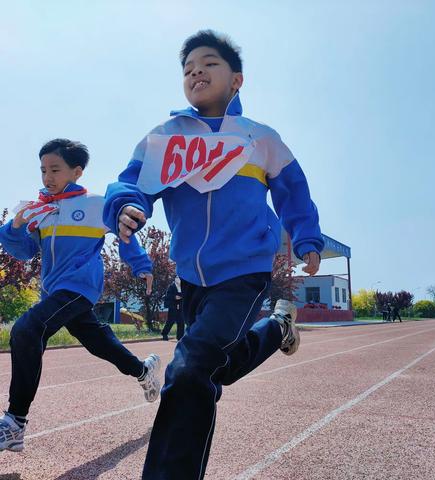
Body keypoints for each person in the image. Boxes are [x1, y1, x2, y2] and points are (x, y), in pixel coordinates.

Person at [103, 30, 324, 479]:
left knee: (187, 371)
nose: (196, 72)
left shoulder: (259, 139)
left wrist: (307, 238)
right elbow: (130, 183)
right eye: (187, 69)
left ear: (237, 80)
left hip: (244, 272)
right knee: (214, 365)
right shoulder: (165, 138)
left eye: (209, 64)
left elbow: (293, 191)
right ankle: (277, 327)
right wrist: (127, 206)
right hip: (192, 278)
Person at [0, 139, 162, 453]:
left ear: (76, 171)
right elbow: (22, 251)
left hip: (79, 287)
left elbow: (125, 230)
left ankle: (15, 422)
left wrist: (141, 264)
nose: (47, 176)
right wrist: (16, 226)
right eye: (43, 170)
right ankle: (144, 371)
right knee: (98, 342)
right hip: (54, 290)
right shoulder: (41, 211)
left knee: (25, 330)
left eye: (55, 169)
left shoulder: (95, 205)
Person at [161, 276, 184, 340]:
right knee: (170, 321)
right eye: (177, 279)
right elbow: (168, 296)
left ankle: (180, 337)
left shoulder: (183, 287)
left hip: (181, 306)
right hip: (173, 306)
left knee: (181, 322)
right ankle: (164, 334)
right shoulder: (171, 287)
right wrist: (174, 297)